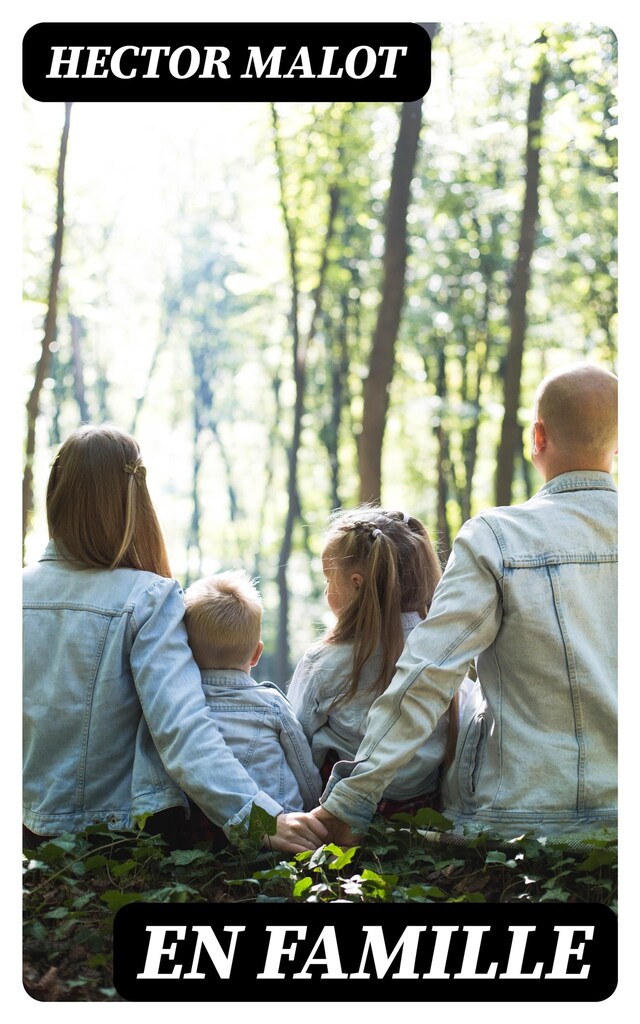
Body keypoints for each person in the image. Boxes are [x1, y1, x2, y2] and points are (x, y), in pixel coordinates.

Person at [307, 363, 618, 842]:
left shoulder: (497, 538)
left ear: (537, 437)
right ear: (620, 446)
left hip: (517, 820)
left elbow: (428, 673)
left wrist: (350, 801)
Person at [22, 424, 328, 853]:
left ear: (56, 492)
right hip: (112, 837)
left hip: (24, 829)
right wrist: (260, 819)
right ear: (135, 500)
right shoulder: (148, 597)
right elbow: (182, 729)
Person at [288, 506, 470, 816]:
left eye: (329, 581)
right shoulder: (446, 654)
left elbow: (296, 742)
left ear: (357, 583)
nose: (327, 591)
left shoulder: (323, 661)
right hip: (423, 810)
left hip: (340, 813)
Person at [183, 569, 321, 812]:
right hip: (281, 827)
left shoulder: (180, 707)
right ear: (257, 654)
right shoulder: (272, 705)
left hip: (206, 834)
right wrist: (312, 809)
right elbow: (303, 770)